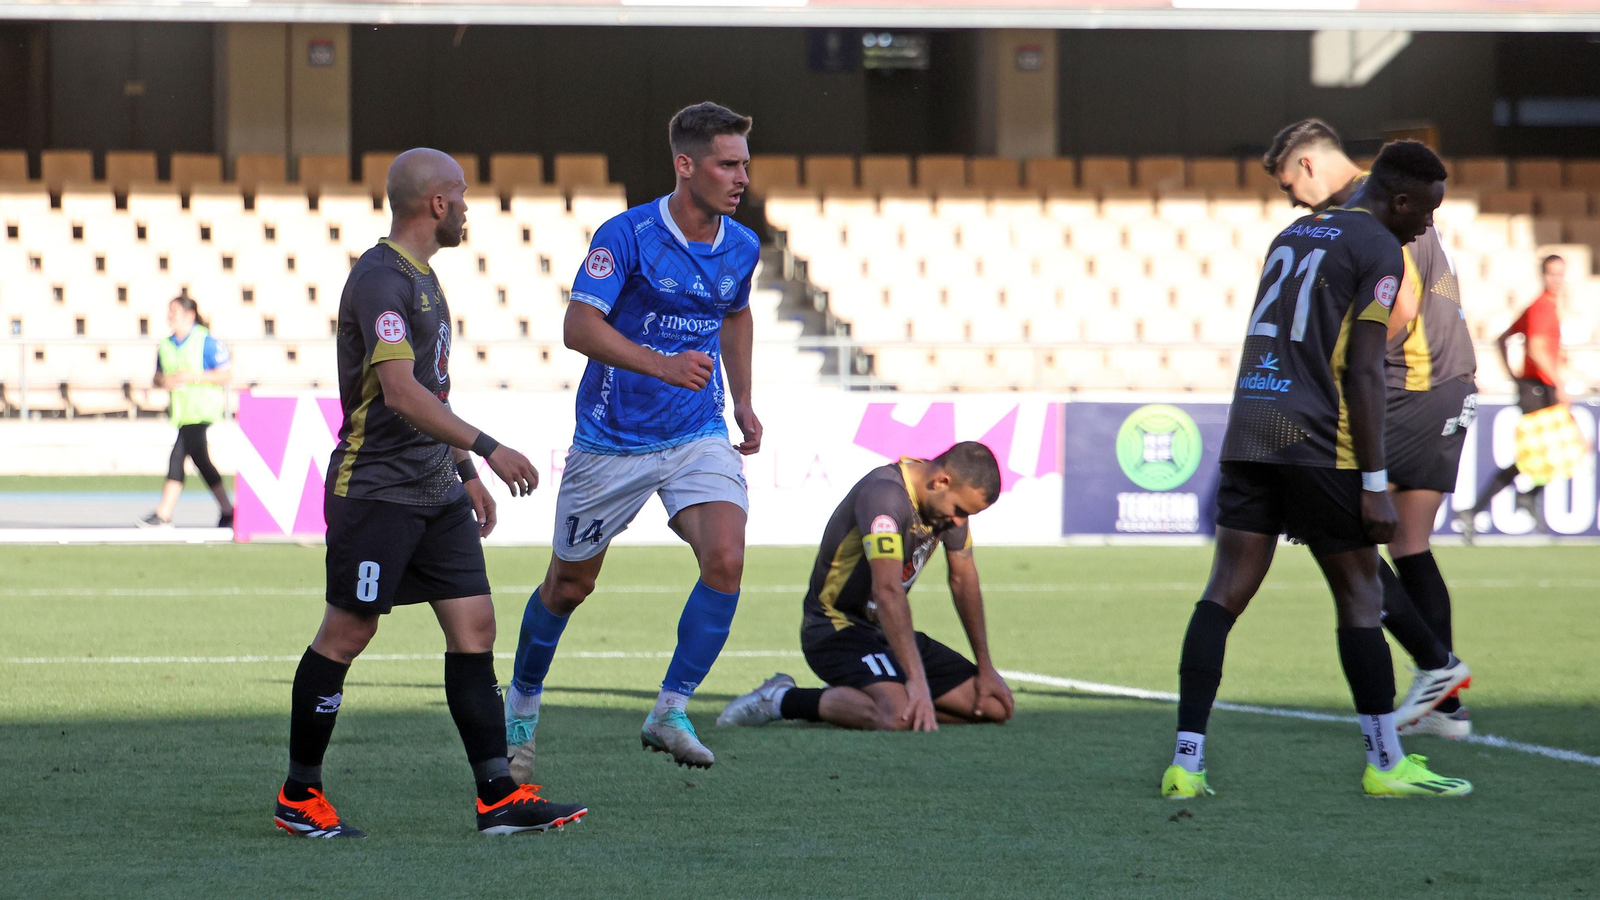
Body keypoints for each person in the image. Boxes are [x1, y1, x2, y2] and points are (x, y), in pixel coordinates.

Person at [272, 148, 586, 838]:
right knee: (347, 633)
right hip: (377, 490)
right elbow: (401, 392)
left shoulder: (423, 279)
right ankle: (299, 797)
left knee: (475, 629)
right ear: (437, 204)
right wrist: (487, 449)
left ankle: (497, 796)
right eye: (463, 195)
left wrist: (464, 476)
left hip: (433, 489)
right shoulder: (381, 280)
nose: (470, 206)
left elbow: (429, 396)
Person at [1161, 140, 1471, 800]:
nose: (1426, 228)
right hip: (1317, 438)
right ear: (1400, 199)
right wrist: (1373, 481)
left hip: (1251, 427)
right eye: (1426, 213)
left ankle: (1186, 765)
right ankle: (1385, 765)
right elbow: (1362, 369)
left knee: (1222, 593)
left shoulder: (1294, 232)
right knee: (1360, 593)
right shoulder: (1381, 249)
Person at [504, 102, 763, 777]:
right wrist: (665, 365)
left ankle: (669, 710)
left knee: (726, 559)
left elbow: (736, 315)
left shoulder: (742, 245)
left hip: (697, 431)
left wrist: (744, 401)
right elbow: (578, 327)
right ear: (686, 165)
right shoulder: (627, 235)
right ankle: (522, 707)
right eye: (727, 163)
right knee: (567, 586)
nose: (742, 176)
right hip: (611, 441)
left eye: (744, 162)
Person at [1264, 119, 1474, 739]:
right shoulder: (1383, 197)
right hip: (1444, 381)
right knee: (1409, 546)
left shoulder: (1371, 205)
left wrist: (1345, 360)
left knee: (1336, 526)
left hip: (1407, 383)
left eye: (1286, 186)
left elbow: (1401, 307)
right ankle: (1445, 703)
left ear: (1306, 165)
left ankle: (1438, 667)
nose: (1290, 202)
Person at [717, 443, 1015, 732]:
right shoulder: (884, 496)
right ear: (941, 481)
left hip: (884, 632)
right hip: (834, 628)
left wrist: (986, 667)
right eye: (960, 510)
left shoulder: (947, 507)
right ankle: (782, 699)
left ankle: (858, 695)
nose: (959, 522)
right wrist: (917, 681)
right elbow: (887, 591)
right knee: (897, 715)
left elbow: (964, 580)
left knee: (992, 706)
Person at [1457, 255, 1568, 540]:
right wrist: (1557, 382)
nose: (1556, 279)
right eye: (1552, 274)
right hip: (1540, 390)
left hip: (1535, 387)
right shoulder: (1542, 307)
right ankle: (1520, 498)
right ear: (1543, 275)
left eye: (1560, 274)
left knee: (1543, 454)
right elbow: (1536, 350)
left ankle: (1504, 502)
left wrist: (1516, 377)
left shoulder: (1541, 307)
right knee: (1554, 450)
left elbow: (1503, 338)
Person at [137, 295, 235, 529]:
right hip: (182, 413)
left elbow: (226, 374)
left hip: (202, 411)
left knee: (177, 456)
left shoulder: (206, 342)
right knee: (201, 461)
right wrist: (165, 381)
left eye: (175, 312)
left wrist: (195, 377)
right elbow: (157, 376)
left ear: (190, 315)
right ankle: (228, 511)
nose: (170, 317)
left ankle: (164, 514)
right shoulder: (166, 345)